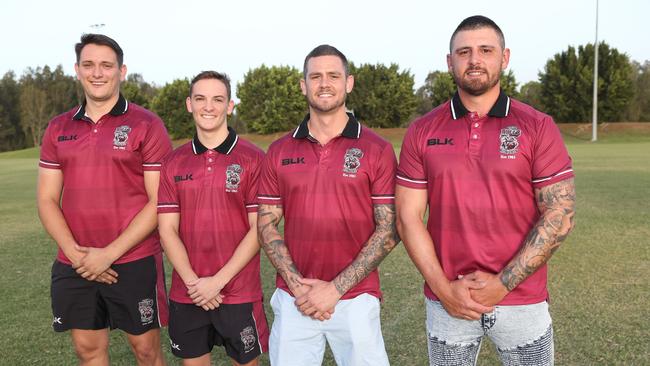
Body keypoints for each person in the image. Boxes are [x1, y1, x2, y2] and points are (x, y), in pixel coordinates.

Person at [396, 15, 576, 365]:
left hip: (522, 301)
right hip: (448, 302)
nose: (474, 59)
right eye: (464, 52)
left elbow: (560, 214)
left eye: (485, 50)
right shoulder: (422, 130)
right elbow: (407, 217)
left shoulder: (537, 126)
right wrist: (444, 289)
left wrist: (503, 283)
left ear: (504, 58)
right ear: (450, 62)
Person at [256, 44, 399, 366]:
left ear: (349, 83)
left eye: (333, 76)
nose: (324, 84)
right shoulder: (279, 151)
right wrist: (300, 288)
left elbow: (389, 229)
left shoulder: (376, 149)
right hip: (295, 298)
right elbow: (266, 224)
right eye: (315, 76)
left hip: (356, 299)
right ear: (303, 85)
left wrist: (334, 289)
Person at [37, 34, 172, 365]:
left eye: (106, 65)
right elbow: (46, 199)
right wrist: (77, 255)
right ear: (77, 70)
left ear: (121, 71)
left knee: (146, 352)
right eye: (89, 65)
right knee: (89, 352)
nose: (97, 73)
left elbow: (159, 201)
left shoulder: (147, 124)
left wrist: (108, 255)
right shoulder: (58, 128)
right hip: (76, 262)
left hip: (134, 259)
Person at [157, 71, 269, 366]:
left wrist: (217, 281)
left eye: (217, 99)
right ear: (189, 104)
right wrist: (195, 283)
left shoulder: (254, 159)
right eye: (201, 99)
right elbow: (167, 230)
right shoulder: (172, 161)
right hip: (188, 292)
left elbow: (259, 228)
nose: (209, 106)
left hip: (238, 290)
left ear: (230, 106)